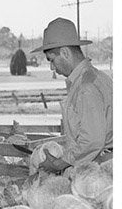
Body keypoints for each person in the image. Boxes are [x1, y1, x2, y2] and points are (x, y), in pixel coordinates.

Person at [31, 17, 113, 172]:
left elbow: (92, 141)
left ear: (65, 53)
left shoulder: (86, 87)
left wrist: (58, 164)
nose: (51, 68)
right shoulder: (96, 77)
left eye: (52, 60)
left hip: (100, 168)